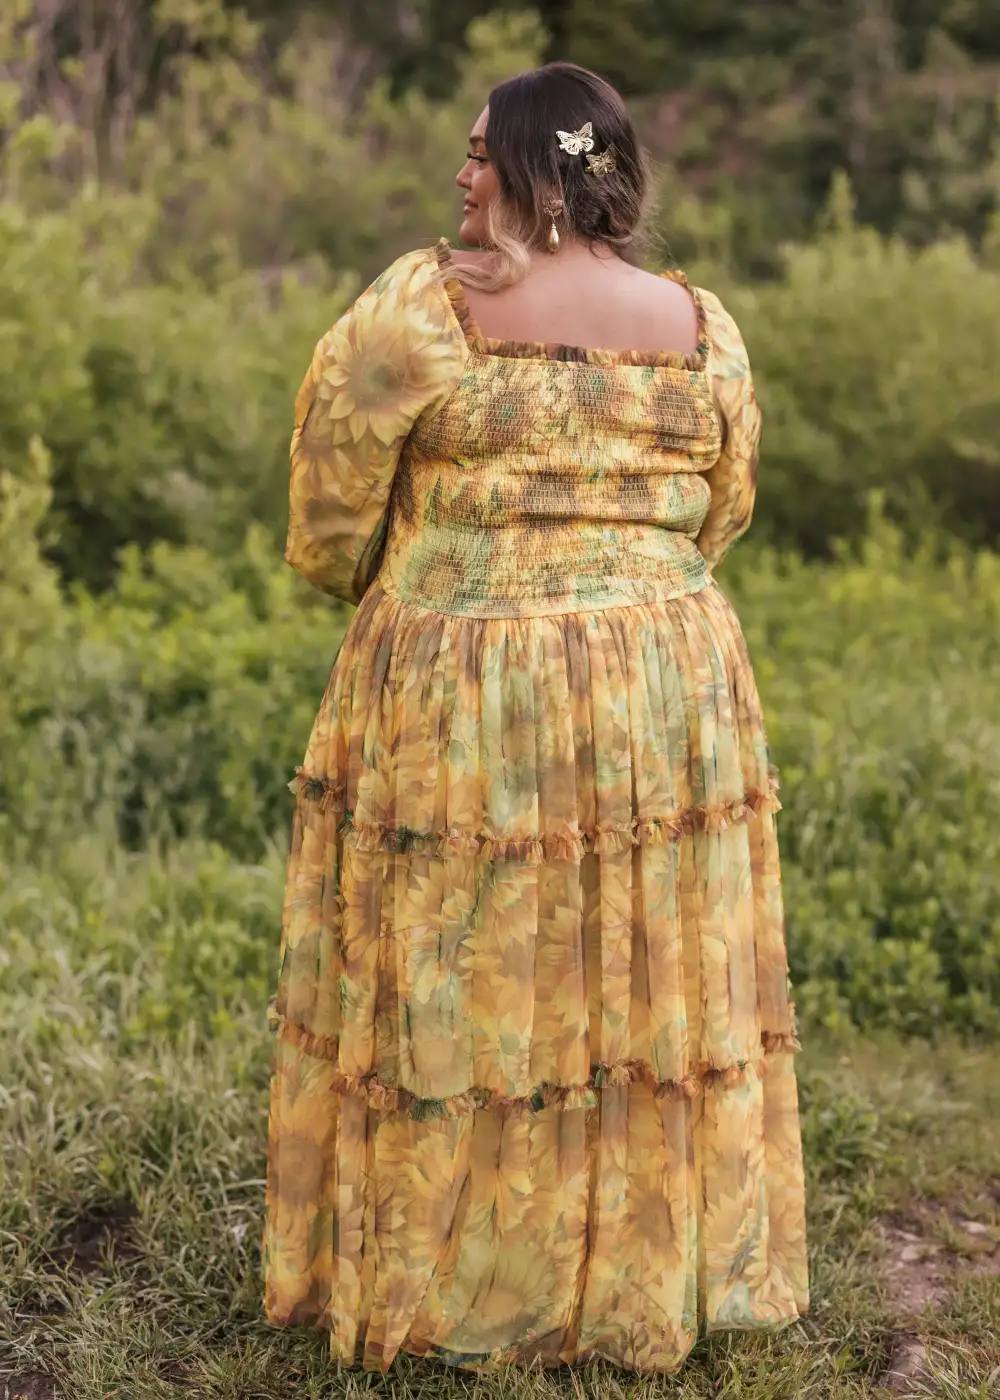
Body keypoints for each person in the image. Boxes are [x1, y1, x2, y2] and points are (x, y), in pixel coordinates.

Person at [261, 60, 809, 1375]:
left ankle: (464, 1282)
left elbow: (333, 496)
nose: (457, 177)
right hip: (667, 686)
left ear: (543, 176)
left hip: (470, 686)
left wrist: (395, 578)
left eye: (476, 154)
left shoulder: (424, 310)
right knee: (639, 985)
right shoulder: (700, 324)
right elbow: (725, 511)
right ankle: (624, 1279)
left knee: (470, 980)